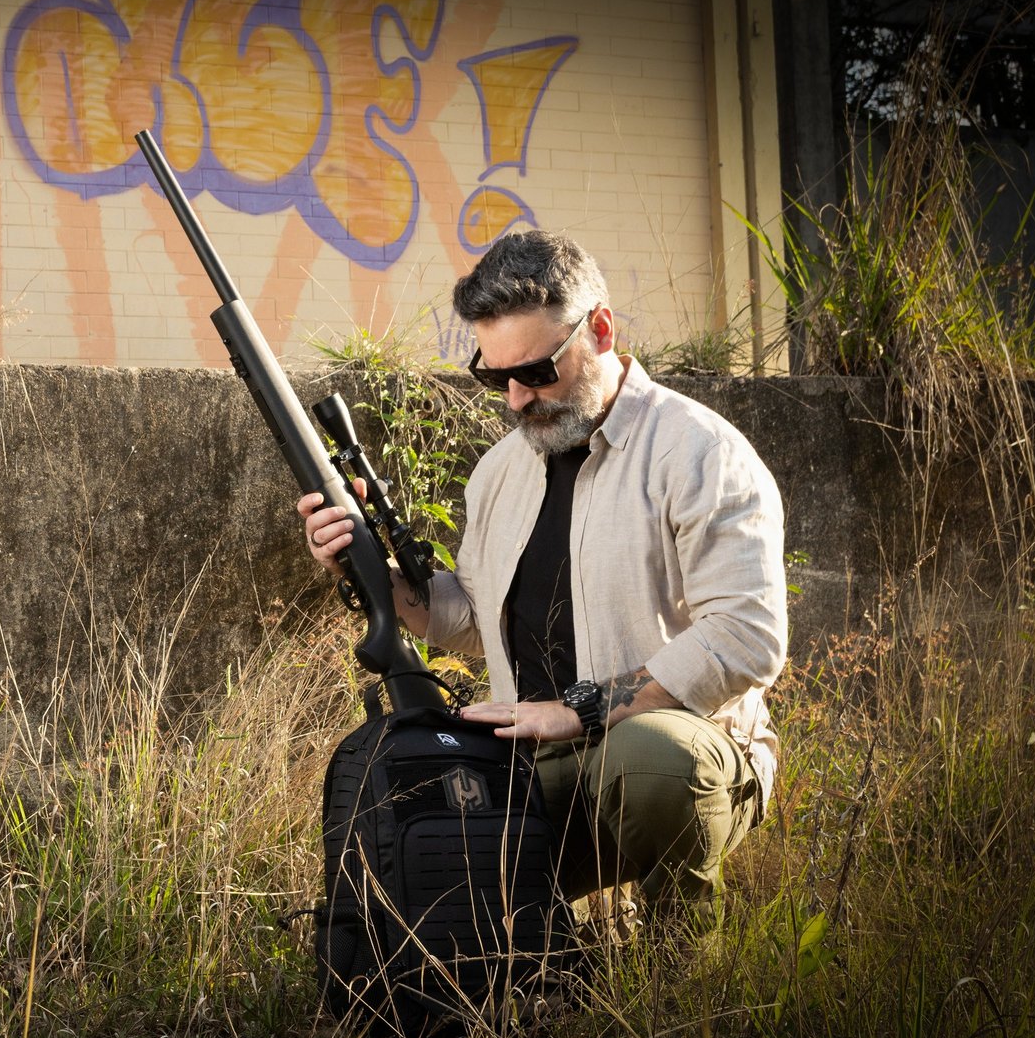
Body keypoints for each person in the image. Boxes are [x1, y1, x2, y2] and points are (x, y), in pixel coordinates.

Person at [297, 230, 786, 926]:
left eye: (538, 372)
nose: (518, 399)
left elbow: (749, 636)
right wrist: (367, 565)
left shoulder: (698, 452)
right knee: (402, 799)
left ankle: (684, 972)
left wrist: (580, 711)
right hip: (531, 762)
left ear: (602, 330)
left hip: (680, 758)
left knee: (649, 760)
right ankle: (529, 974)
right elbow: (468, 619)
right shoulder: (501, 473)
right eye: (496, 378)